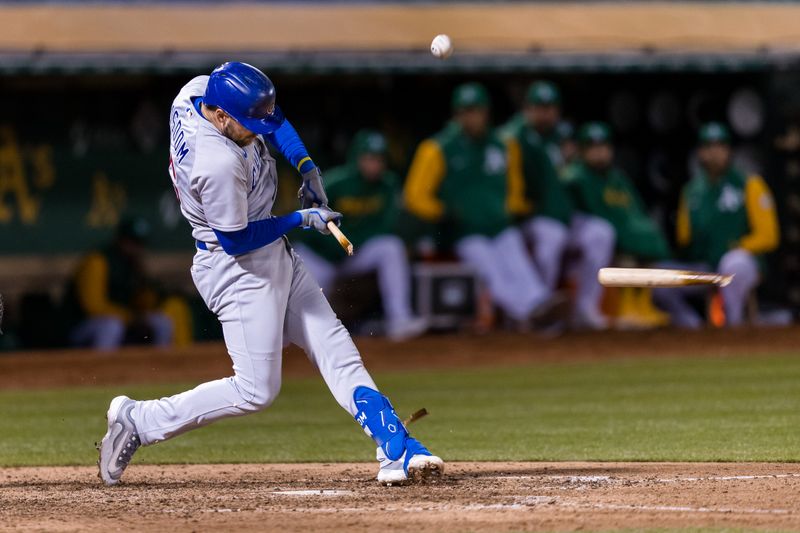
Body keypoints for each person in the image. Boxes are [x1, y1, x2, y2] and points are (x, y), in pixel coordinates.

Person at [97, 62, 443, 486]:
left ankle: (396, 446)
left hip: (271, 253)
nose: (256, 130)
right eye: (246, 124)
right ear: (220, 117)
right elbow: (237, 239)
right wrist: (300, 218)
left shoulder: (199, 91)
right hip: (236, 268)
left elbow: (273, 122)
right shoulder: (215, 164)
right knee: (256, 390)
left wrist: (307, 166)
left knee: (333, 344)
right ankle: (140, 419)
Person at [403, 82, 560, 327]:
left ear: (486, 113)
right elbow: (414, 196)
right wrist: (442, 212)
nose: (471, 117)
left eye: (476, 110)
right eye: (466, 111)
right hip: (463, 232)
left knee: (518, 262)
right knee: (492, 271)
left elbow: (514, 188)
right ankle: (529, 313)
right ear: (456, 114)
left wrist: (512, 209)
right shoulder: (437, 148)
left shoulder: (504, 145)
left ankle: (540, 302)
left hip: (499, 225)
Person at [293, 129, 426, 341]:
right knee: (307, 310)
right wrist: (333, 245)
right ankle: (292, 337)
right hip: (319, 255)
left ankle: (399, 319)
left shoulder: (388, 184)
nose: (374, 165)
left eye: (379, 159)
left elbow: (386, 226)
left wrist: (349, 243)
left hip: (353, 251)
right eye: (369, 158)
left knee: (390, 247)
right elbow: (306, 223)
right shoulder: (335, 182)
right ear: (357, 157)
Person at [503, 82, 615, 329]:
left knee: (600, 232)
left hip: (561, 216)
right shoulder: (514, 137)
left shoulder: (559, 136)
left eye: (550, 108)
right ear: (527, 109)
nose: (545, 113)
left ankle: (586, 307)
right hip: (530, 219)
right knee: (551, 236)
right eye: (539, 108)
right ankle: (539, 311)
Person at [653, 122, 779, 328]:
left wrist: (738, 247)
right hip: (705, 266)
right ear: (700, 152)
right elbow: (684, 239)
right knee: (659, 278)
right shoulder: (692, 191)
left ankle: (733, 326)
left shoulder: (749, 184)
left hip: (743, 263)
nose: (714, 153)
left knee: (732, 263)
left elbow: (769, 236)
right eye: (708, 147)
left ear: (728, 151)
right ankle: (691, 328)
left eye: (720, 146)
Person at [562, 122, 671, 328]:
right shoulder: (575, 177)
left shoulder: (617, 179)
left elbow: (636, 212)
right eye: (592, 147)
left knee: (643, 246)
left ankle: (642, 305)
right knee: (618, 245)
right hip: (579, 245)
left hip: (611, 241)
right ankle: (624, 306)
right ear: (582, 150)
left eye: (603, 146)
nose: (599, 152)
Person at [62, 217, 178, 350]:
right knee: (111, 326)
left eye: (139, 243)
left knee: (162, 322)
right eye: (131, 242)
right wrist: (131, 318)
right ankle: (100, 368)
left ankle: (161, 366)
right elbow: (93, 306)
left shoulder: (133, 265)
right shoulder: (98, 261)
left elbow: (143, 305)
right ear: (120, 240)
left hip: (122, 323)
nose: (135, 248)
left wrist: (145, 287)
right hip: (82, 327)